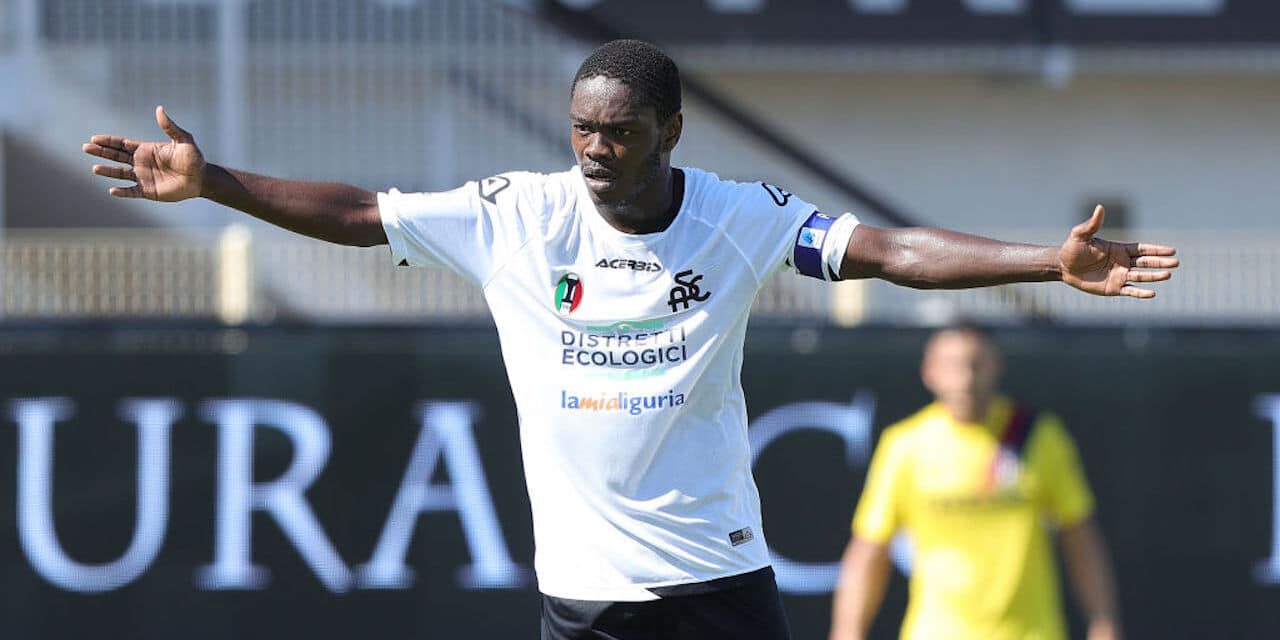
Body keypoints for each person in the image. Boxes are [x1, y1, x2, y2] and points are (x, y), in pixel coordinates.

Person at [83, 39, 1170, 640]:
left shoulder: (738, 218)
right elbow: (363, 214)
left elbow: (885, 250)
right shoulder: (518, 213)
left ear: (670, 132)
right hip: (583, 606)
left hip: (719, 594)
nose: (595, 149)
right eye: (581, 128)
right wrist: (215, 181)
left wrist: (1043, 260)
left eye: (621, 130)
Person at [828, 324, 1122, 640]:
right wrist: (847, 631)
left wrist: (1103, 622)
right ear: (930, 371)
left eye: (976, 364)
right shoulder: (905, 445)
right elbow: (869, 551)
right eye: (953, 365)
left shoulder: (1038, 437)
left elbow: (1079, 536)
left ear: (997, 367)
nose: (966, 378)